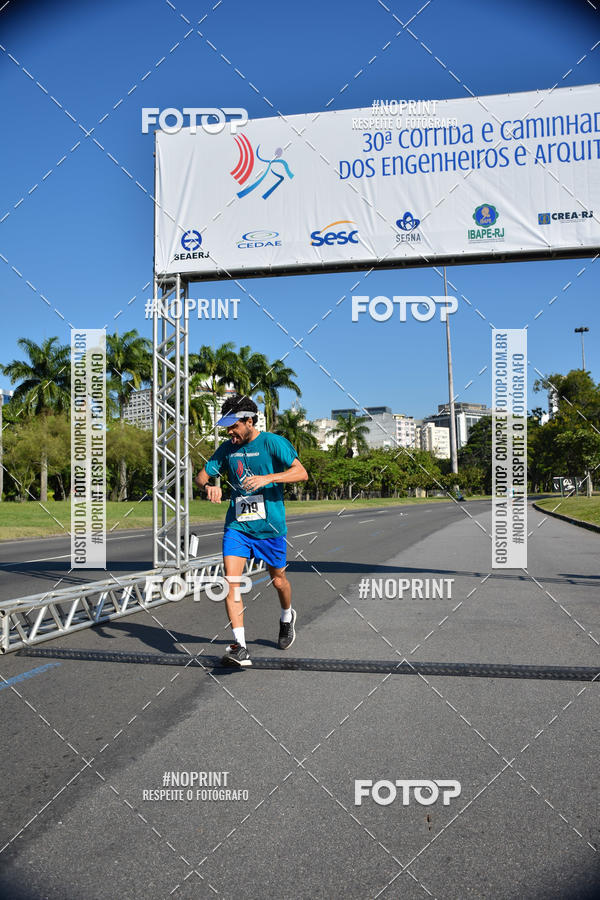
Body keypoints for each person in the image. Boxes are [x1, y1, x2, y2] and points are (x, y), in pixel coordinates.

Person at [195, 394, 308, 667]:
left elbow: (301, 473)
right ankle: (240, 647)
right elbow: (200, 476)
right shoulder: (226, 449)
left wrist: (268, 478)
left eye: (234, 426)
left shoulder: (272, 443)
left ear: (248, 421)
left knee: (279, 581)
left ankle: (286, 615)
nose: (229, 432)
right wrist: (209, 486)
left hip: (270, 528)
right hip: (237, 526)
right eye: (227, 427)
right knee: (231, 581)